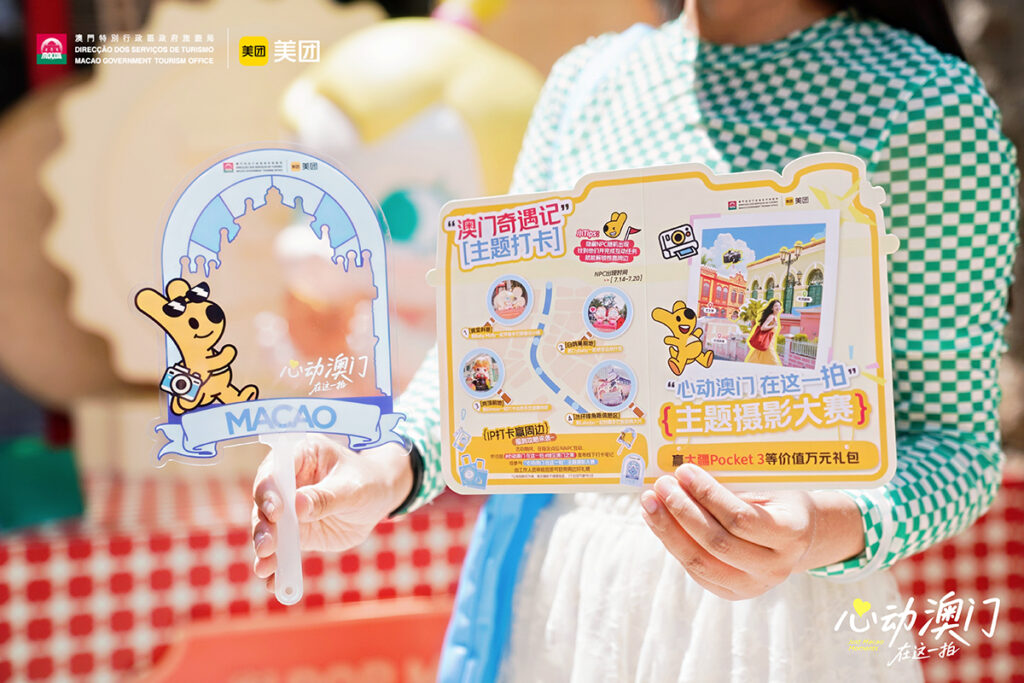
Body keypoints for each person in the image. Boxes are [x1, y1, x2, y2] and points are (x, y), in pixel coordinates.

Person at [251, 0, 1019, 680]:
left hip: (775, 628)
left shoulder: (926, 104)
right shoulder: (587, 82)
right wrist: (383, 469)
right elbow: (494, 352)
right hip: (566, 601)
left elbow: (957, 449)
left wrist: (820, 528)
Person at [745, 299, 783, 365]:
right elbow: (763, 328)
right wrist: (773, 325)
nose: (778, 307)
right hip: (768, 344)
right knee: (774, 362)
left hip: (769, 342)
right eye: (776, 306)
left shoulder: (775, 317)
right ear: (772, 308)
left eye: (779, 306)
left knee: (759, 357)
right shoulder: (771, 317)